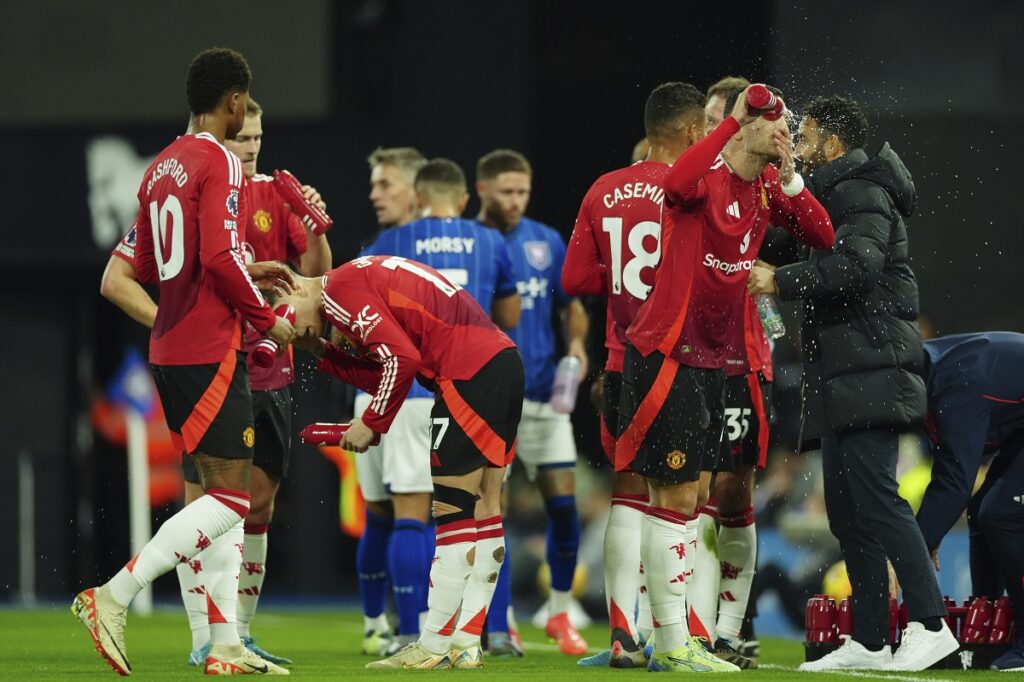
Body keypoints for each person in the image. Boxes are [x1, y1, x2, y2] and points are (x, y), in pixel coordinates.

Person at [75, 47, 296, 676]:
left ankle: (223, 645)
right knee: (231, 499)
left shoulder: (159, 167)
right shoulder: (219, 160)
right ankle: (112, 596)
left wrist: (241, 271)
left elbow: (148, 268)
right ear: (234, 102)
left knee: (212, 499)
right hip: (207, 349)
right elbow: (221, 259)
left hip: (168, 349)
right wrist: (268, 319)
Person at [620, 85, 834, 673]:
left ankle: (694, 638)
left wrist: (789, 173)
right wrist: (733, 121)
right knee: (674, 496)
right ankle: (670, 641)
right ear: (746, 125)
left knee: (699, 497)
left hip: (716, 359)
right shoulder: (704, 178)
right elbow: (672, 184)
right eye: (779, 123)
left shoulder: (766, 186)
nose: (787, 132)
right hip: (669, 353)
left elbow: (823, 236)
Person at [749, 94, 957, 672]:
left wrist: (779, 281)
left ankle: (931, 625)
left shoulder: (862, 191)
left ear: (834, 143)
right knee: (847, 509)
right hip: (844, 373)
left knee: (880, 502)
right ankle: (869, 639)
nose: (802, 146)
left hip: (873, 369)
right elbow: (793, 242)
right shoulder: (831, 195)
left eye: (808, 137)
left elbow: (856, 268)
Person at [280, 256, 523, 670]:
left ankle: (431, 645)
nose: (285, 331)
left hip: (465, 373)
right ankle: (465, 644)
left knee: (451, 510)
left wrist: (372, 422)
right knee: (485, 505)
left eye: (278, 317)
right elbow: (388, 373)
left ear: (291, 289)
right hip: (500, 364)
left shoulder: (336, 292)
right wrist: (320, 349)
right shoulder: (354, 280)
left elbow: (402, 362)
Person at [562, 82, 706, 668]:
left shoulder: (603, 188)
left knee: (627, 494)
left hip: (621, 361)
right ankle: (680, 640)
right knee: (680, 499)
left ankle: (623, 635)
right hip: (678, 361)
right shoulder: (694, 192)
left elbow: (575, 280)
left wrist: (622, 285)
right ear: (694, 132)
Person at [355, 157, 521, 655]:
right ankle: (493, 630)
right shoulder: (490, 240)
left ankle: (409, 632)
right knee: (488, 506)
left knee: (413, 511)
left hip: (412, 389)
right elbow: (508, 312)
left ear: (418, 195)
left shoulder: (392, 243)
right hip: (482, 382)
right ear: (465, 199)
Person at [475, 149, 590, 656]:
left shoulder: (546, 241)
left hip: (544, 396)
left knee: (564, 509)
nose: (516, 201)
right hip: (485, 400)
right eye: (506, 192)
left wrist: (578, 346)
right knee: (487, 510)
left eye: (523, 191)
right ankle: (500, 623)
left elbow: (572, 308)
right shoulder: (466, 242)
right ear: (482, 190)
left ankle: (559, 610)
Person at [685, 76, 766, 670]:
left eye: (732, 120)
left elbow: (807, 244)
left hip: (743, 357)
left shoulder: (768, 183)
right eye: (717, 122)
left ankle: (730, 629)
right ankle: (682, 627)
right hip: (684, 354)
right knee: (683, 493)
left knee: (733, 491)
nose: (724, 133)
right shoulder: (689, 179)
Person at [351, 146, 429, 657]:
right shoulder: (396, 246)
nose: (375, 194)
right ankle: (400, 628)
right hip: (400, 396)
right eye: (374, 184)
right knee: (402, 515)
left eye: (386, 185)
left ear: (417, 191)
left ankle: (388, 625)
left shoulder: (384, 248)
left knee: (389, 514)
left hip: (383, 395)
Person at [914, 332, 1024, 672]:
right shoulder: (931, 373)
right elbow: (950, 473)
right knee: (981, 513)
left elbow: (953, 482)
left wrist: (916, 547)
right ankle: (992, 626)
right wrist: (929, 533)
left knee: (1000, 514)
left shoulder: (953, 386)